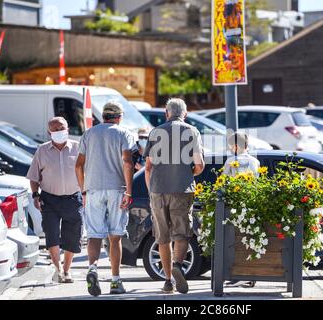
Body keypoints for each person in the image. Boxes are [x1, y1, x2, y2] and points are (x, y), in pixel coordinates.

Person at [144, 98, 205, 294]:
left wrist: (151, 189)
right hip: (182, 190)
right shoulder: (191, 131)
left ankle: (168, 280)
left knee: (162, 237)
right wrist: (189, 173)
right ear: (185, 113)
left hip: (158, 191)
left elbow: (148, 166)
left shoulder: (155, 132)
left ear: (166, 112)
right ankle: (178, 264)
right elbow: (199, 165)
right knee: (182, 233)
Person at [75, 101, 136, 296]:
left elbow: (78, 166)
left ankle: (92, 268)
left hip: (92, 189)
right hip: (117, 188)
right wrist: (129, 191)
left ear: (103, 116)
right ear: (119, 117)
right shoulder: (123, 133)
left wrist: (84, 189)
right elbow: (127, 162)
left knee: (94, 234)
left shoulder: (88, 134)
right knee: (115, 236)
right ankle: (115, 281)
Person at [26, 117, 83, 284]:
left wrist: (86, 193)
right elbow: (34, 176)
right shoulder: (42, 150)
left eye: (62, 127)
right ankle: (58, 269)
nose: (60, 131)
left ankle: (67, 270)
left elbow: (85, 172)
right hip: (49, 199)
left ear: (67, 128)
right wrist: (35, 195)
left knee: (72, 235)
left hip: (73, 198)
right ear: (49, 133)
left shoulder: (78, 147)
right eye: (55, 129)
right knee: (52, 234)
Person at [223, 132, 259, 288]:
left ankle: (238, 275)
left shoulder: (231, 161)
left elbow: (223, 185)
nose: (230, 149)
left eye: (231, 146)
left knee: (235, 241)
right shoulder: (255, 162)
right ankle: (249, 275)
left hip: (234, 208)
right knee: (249, 239)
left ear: (236, 146)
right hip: (252, 207)